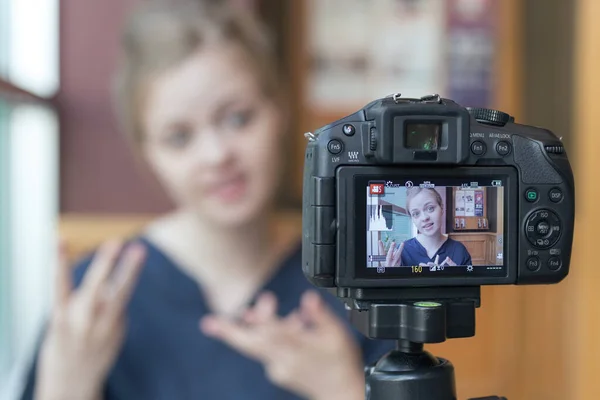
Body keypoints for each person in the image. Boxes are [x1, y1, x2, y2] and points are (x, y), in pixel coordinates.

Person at [19, 1, 394, 399]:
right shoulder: (93, 302)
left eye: (238, 118)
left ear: (279, 108)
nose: (216, 155)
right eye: (179, 137)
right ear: (148, 153)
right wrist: (64, 386)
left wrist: (344, 389)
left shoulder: (354, 285)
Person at [378, 187, 472, 268]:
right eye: (416, 214)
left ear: (442, 208)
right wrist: (389, 275)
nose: (424, 218)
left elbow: (471, 288)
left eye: (430, 208)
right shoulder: (401, 252)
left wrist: (458, 279)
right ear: (412, 219)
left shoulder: (459, 251)